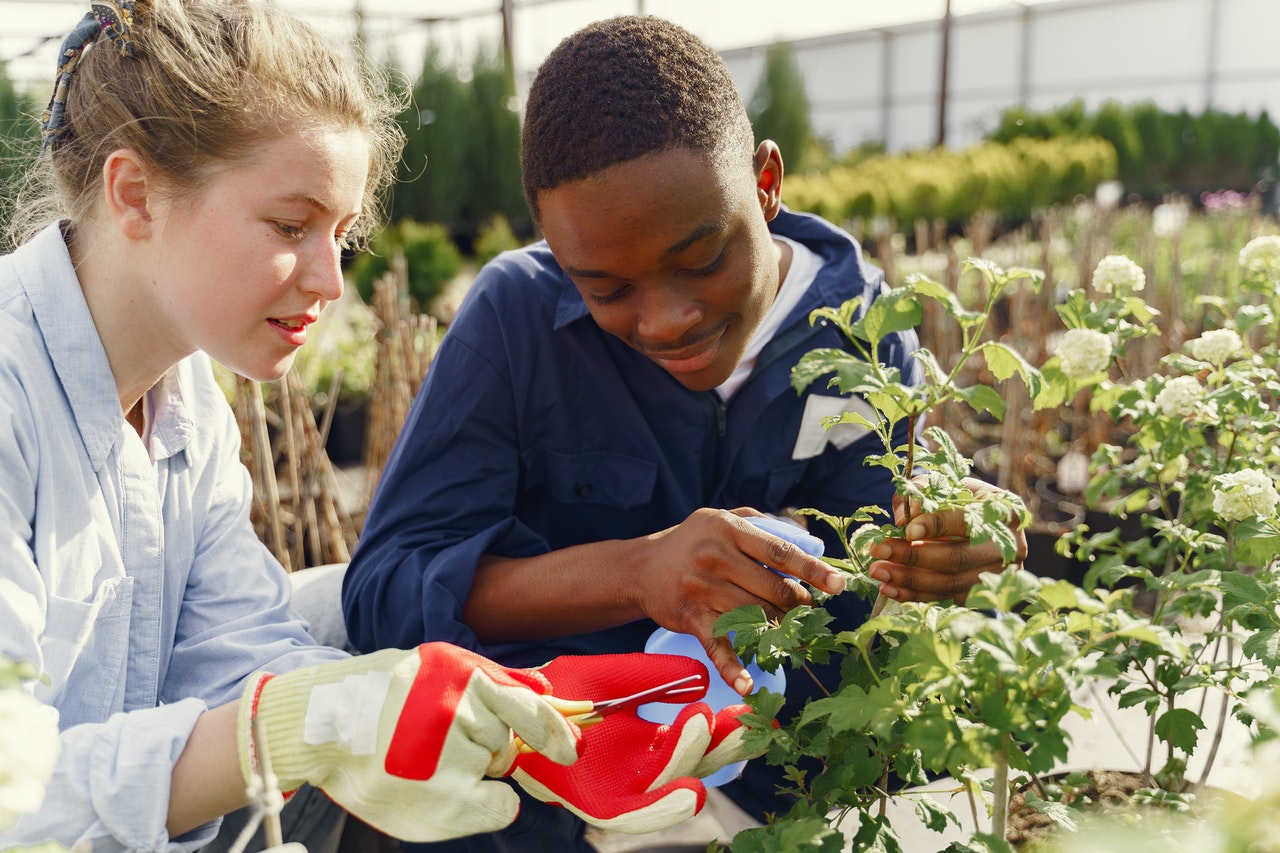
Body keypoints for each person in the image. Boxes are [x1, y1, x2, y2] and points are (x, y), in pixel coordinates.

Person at [0, 3, 755, 850]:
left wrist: (517, 728)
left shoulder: (187, 403)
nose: (330, 279)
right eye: (292, 226)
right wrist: (293, 726)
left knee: (332, 628)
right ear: (136, 194)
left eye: (342, 233)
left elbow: (243, 647)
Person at [341, 13, 1028, 852]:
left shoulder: (857, 331)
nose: (666, 320)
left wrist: (944, 551)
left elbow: (878, 580)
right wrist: (637, 572)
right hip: (551, 799)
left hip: (783, 792)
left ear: (765, 182)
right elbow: (385, 590)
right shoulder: (514, 320)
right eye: (604, 288)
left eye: (702, 260)